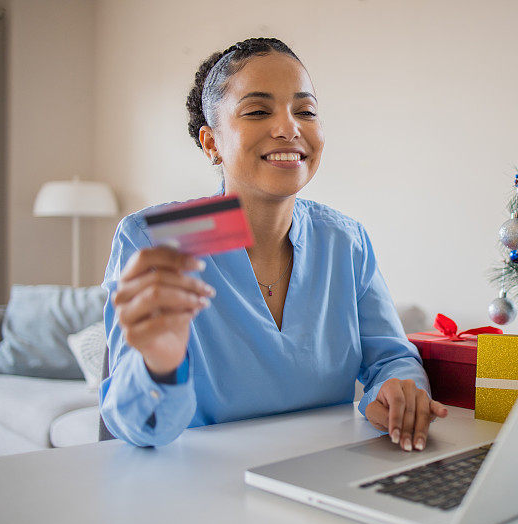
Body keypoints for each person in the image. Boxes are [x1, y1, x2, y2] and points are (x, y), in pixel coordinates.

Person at [99, 38, 447, 450]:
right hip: (196, 489)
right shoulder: (160, 240)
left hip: (321, 480)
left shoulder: (343, 241)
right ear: (211, 143)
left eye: (306, 111)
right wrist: (159, 365)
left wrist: (394, 391)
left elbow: (391, 358)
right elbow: (137, 428)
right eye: (258, 111)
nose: (289, 128)